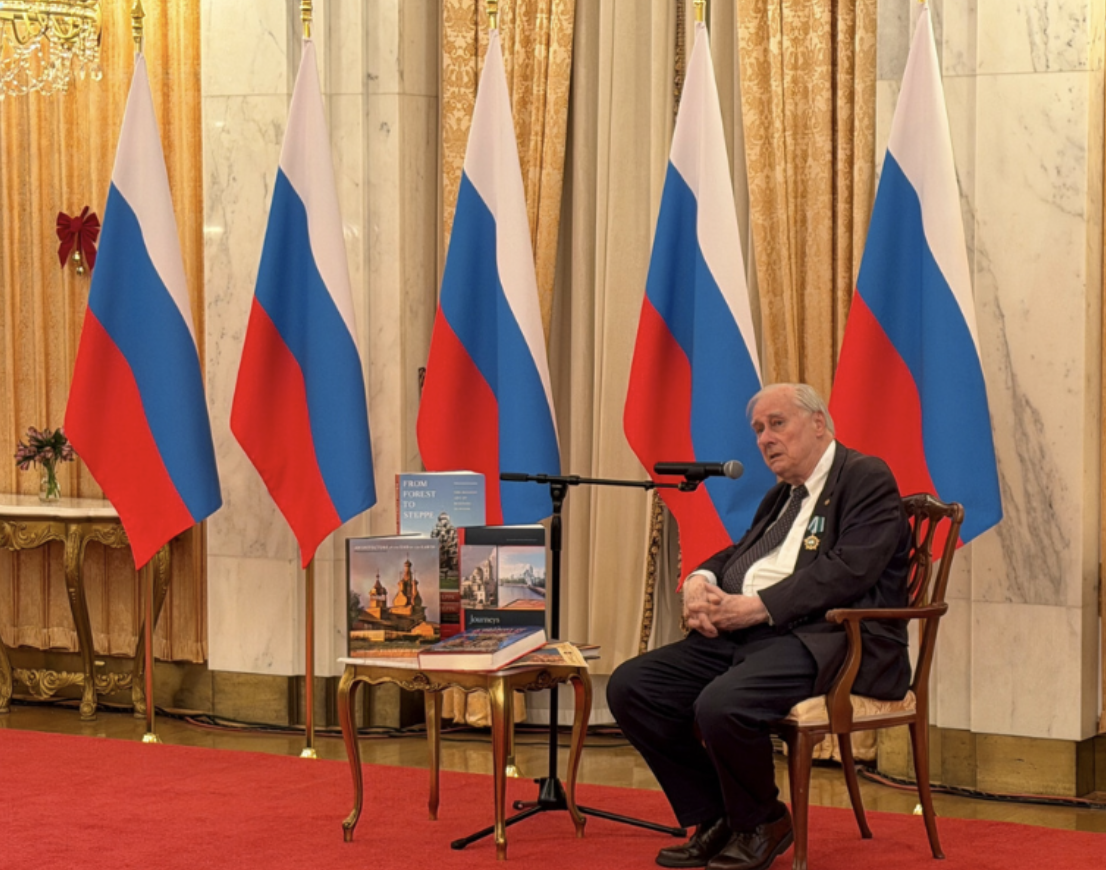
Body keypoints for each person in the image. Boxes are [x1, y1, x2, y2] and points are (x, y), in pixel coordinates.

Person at [608, 383, 912, 870]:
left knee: (722, 704)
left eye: (777, 424)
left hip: (826, 639)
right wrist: (699, 580)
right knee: (633, 686)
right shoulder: (782, 496)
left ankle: (762, 821)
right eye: (757, 429)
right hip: (751, 634)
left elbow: (848, 570)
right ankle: (719, 817)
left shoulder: (865, 477)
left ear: (818, 423)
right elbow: (744, 552)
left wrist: (758, 607)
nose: (764, 439)